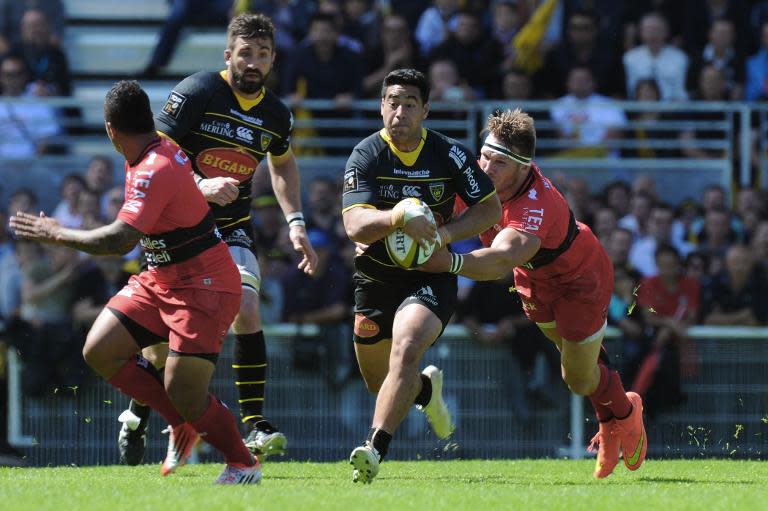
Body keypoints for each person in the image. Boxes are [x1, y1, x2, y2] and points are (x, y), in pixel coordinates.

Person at [9, 80, 260, 484]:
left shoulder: (151, 166)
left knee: (187, 392)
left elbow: (119, 240)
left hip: (204, 287)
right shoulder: (152, 148)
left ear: (111, 129)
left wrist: (57, 234)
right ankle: (181, 422)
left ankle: (242, 462)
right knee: (100, 350)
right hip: (163, 279)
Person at [117, 13, 318, 467]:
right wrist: (197, 186)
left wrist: (296, 221)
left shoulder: (276, 114)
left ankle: (256, 423)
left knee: (248, 307)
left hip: (229, 228)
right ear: (228, 55)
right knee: (163, 340)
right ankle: (138, 409)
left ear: (272, 60)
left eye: (263, 54)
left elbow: (283, 165)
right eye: (245, 53)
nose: (254, 62)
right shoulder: (198, 91)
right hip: (173, 225)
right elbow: (151, 153)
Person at [419, 108, 647, 479]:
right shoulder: (479, 179)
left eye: (498, 162)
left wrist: (446, 261)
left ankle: (622, 414)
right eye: (484, 156)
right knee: (579, 362)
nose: (486, 167)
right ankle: (612, 413)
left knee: (575, 378)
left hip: (579, 280)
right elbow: (442, 212)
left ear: (523, 167)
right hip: (534, 278)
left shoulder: (535, 204)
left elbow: (500, 259)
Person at [341, 68, 500, 483]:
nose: (400, 111)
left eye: (410, 103)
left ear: (426, 109)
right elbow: (355, 225)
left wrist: (443, 235)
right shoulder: (366, 154)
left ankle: (374, 449)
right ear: (381, 107)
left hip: (429, 275)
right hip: (375, 279)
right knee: (384, 382)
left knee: (407, 349)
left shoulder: (449, 154)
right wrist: (398, 216)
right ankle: (427, 393)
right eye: (392, 102)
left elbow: (490, 208)